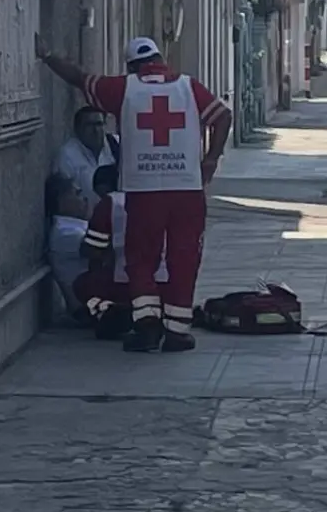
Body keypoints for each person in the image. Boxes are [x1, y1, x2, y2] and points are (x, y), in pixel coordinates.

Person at [35, 34, 233, 353]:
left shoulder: (124, 89)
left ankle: (147, 327)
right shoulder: (188, 86)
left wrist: (47, 57)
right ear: (160, 59)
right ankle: (178, 331)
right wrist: (210, 160)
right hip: (187, 190)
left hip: (143, 190)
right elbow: (223, 116)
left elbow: (79, 78)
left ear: (131, 66)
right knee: (185, 257)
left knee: (141, 259)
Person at [77, 164, 171, 340]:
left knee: (82, 286)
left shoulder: (110, 203)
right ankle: (160, 314)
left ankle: (109, 310)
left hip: (123, 283)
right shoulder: (163, 197)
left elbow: (92, 249)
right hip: (167, 283)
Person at [53, 106, 120, 215]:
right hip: (87, 221)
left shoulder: (117, 145)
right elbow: (65, 199)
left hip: (117, 215)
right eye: (89, 125)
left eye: (99, 124)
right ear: (77, 129)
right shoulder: (67, 155)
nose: (96, 130)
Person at [45, 173, 92, 322]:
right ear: (62, 200)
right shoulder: (65, 233)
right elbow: (104, 250)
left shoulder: (75, 226)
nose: (84, 199)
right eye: (77, 194)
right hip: (85, 307)